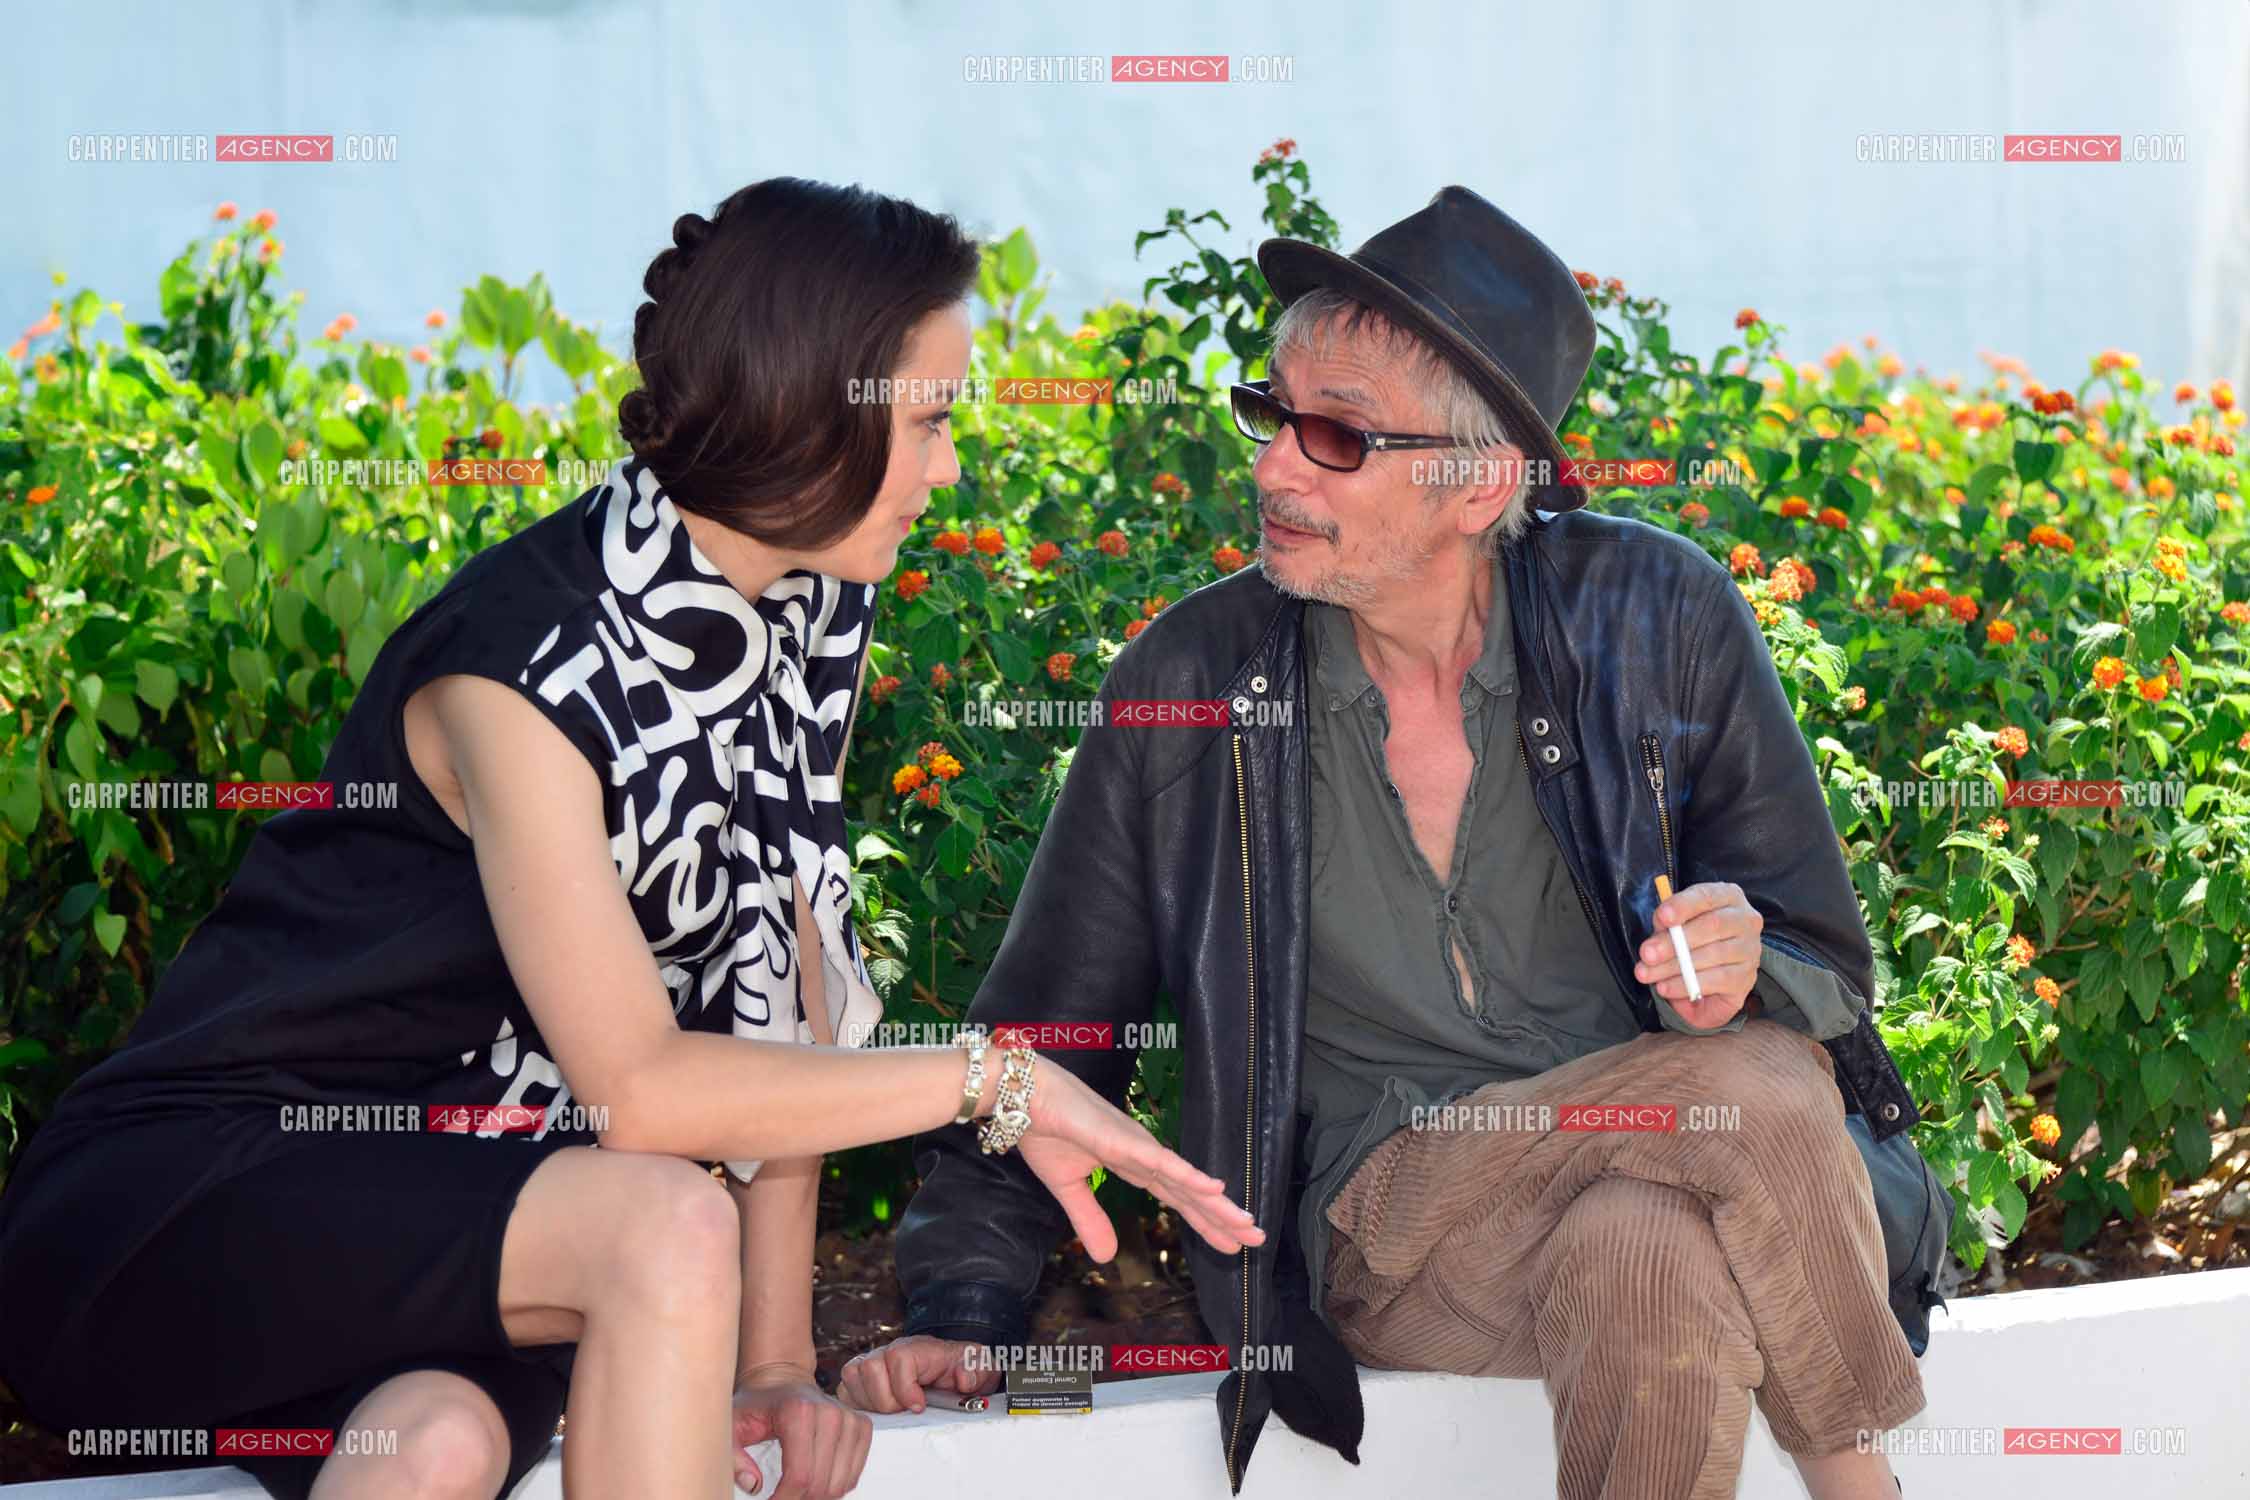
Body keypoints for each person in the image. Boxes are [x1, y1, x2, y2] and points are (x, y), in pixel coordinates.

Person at [0, 177, 1261, 1500]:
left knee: (433, 1449)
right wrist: (990, 1074)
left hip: (465, 1245)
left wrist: (775, 1361)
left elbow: (784, 986)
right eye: (934, 419)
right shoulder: (522, 669)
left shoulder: (803, 610)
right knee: (664, 1219)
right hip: (197, 1200)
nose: (952, 468)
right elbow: (644, 1091)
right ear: (807, 406)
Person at [842, 187, 1938, 1499]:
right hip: (1386, 1226)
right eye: (1272, 415)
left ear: (1478, 482)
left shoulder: (1657, 618)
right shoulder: (1192, 682)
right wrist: (962, 1308)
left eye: (1334, 437)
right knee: (1753, 1097)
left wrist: (1740, 959)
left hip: (1629, 1185)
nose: (1272, 468)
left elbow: (1817, 957)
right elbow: (1043, 1034)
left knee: (1649, 1257)